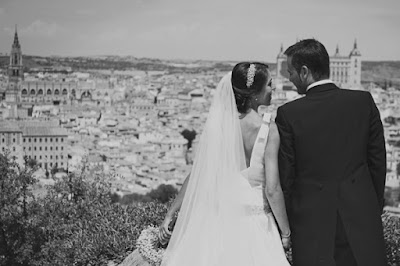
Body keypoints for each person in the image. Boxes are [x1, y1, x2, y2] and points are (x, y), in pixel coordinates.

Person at [159, 62, 291, 266]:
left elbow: (198, 175)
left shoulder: (220, 126)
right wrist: (285, 232)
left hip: (217, 223)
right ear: (254, 93)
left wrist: (172, 211)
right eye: (269, 84)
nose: (273, 89)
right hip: (256, 225)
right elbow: (272, 189)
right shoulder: (268, 128)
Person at [275, 39, 387, 266]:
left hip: (312, 227)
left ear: (304, 72)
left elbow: (286, 178)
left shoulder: (289, 113)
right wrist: (371, 207)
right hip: (362, 219)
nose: (289, 78)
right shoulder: (363, 102)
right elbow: (377, 162)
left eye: (291, 72)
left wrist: (287, 229)